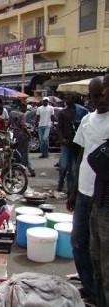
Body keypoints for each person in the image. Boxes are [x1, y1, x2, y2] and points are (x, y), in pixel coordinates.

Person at [67, 76, 109, 305]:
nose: (99, 100)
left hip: (103, 196)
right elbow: (82, 156)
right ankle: (90, 287)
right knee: (78, 243)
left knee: (102, 253)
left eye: (101, 94)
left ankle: (100, 292)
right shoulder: (87, 120)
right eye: (94, 96)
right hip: (84, 191)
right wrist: (73, 191)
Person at [89, 74, 109, 307]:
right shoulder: (89, 119)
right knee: (97, 256)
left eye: (105, 88)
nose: (103, 95)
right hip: (98, 197)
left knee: (106, 264)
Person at [56, 93, 88, 195]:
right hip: (66, 143)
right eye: (65, 98)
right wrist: (62, 139)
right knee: (64, 166)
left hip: (76, 144)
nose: (66, 100)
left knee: (74, 169)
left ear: (73, 99)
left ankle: (70, 191)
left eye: (68, 98)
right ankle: (61, 182)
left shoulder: (81, 111)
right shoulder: (63, 113)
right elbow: (59, 128)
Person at [9, 102, 36, 177]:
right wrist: (29, 134)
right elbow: (23, 126)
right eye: (25, 108)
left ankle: (30, 169)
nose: (26, 110)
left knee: (19, 153)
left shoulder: (12, 113)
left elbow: (8, 123)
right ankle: (23, 169)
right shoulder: (22, 115)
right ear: (22, 107)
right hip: (23, 136)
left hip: (15, 136)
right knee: (25, 154)